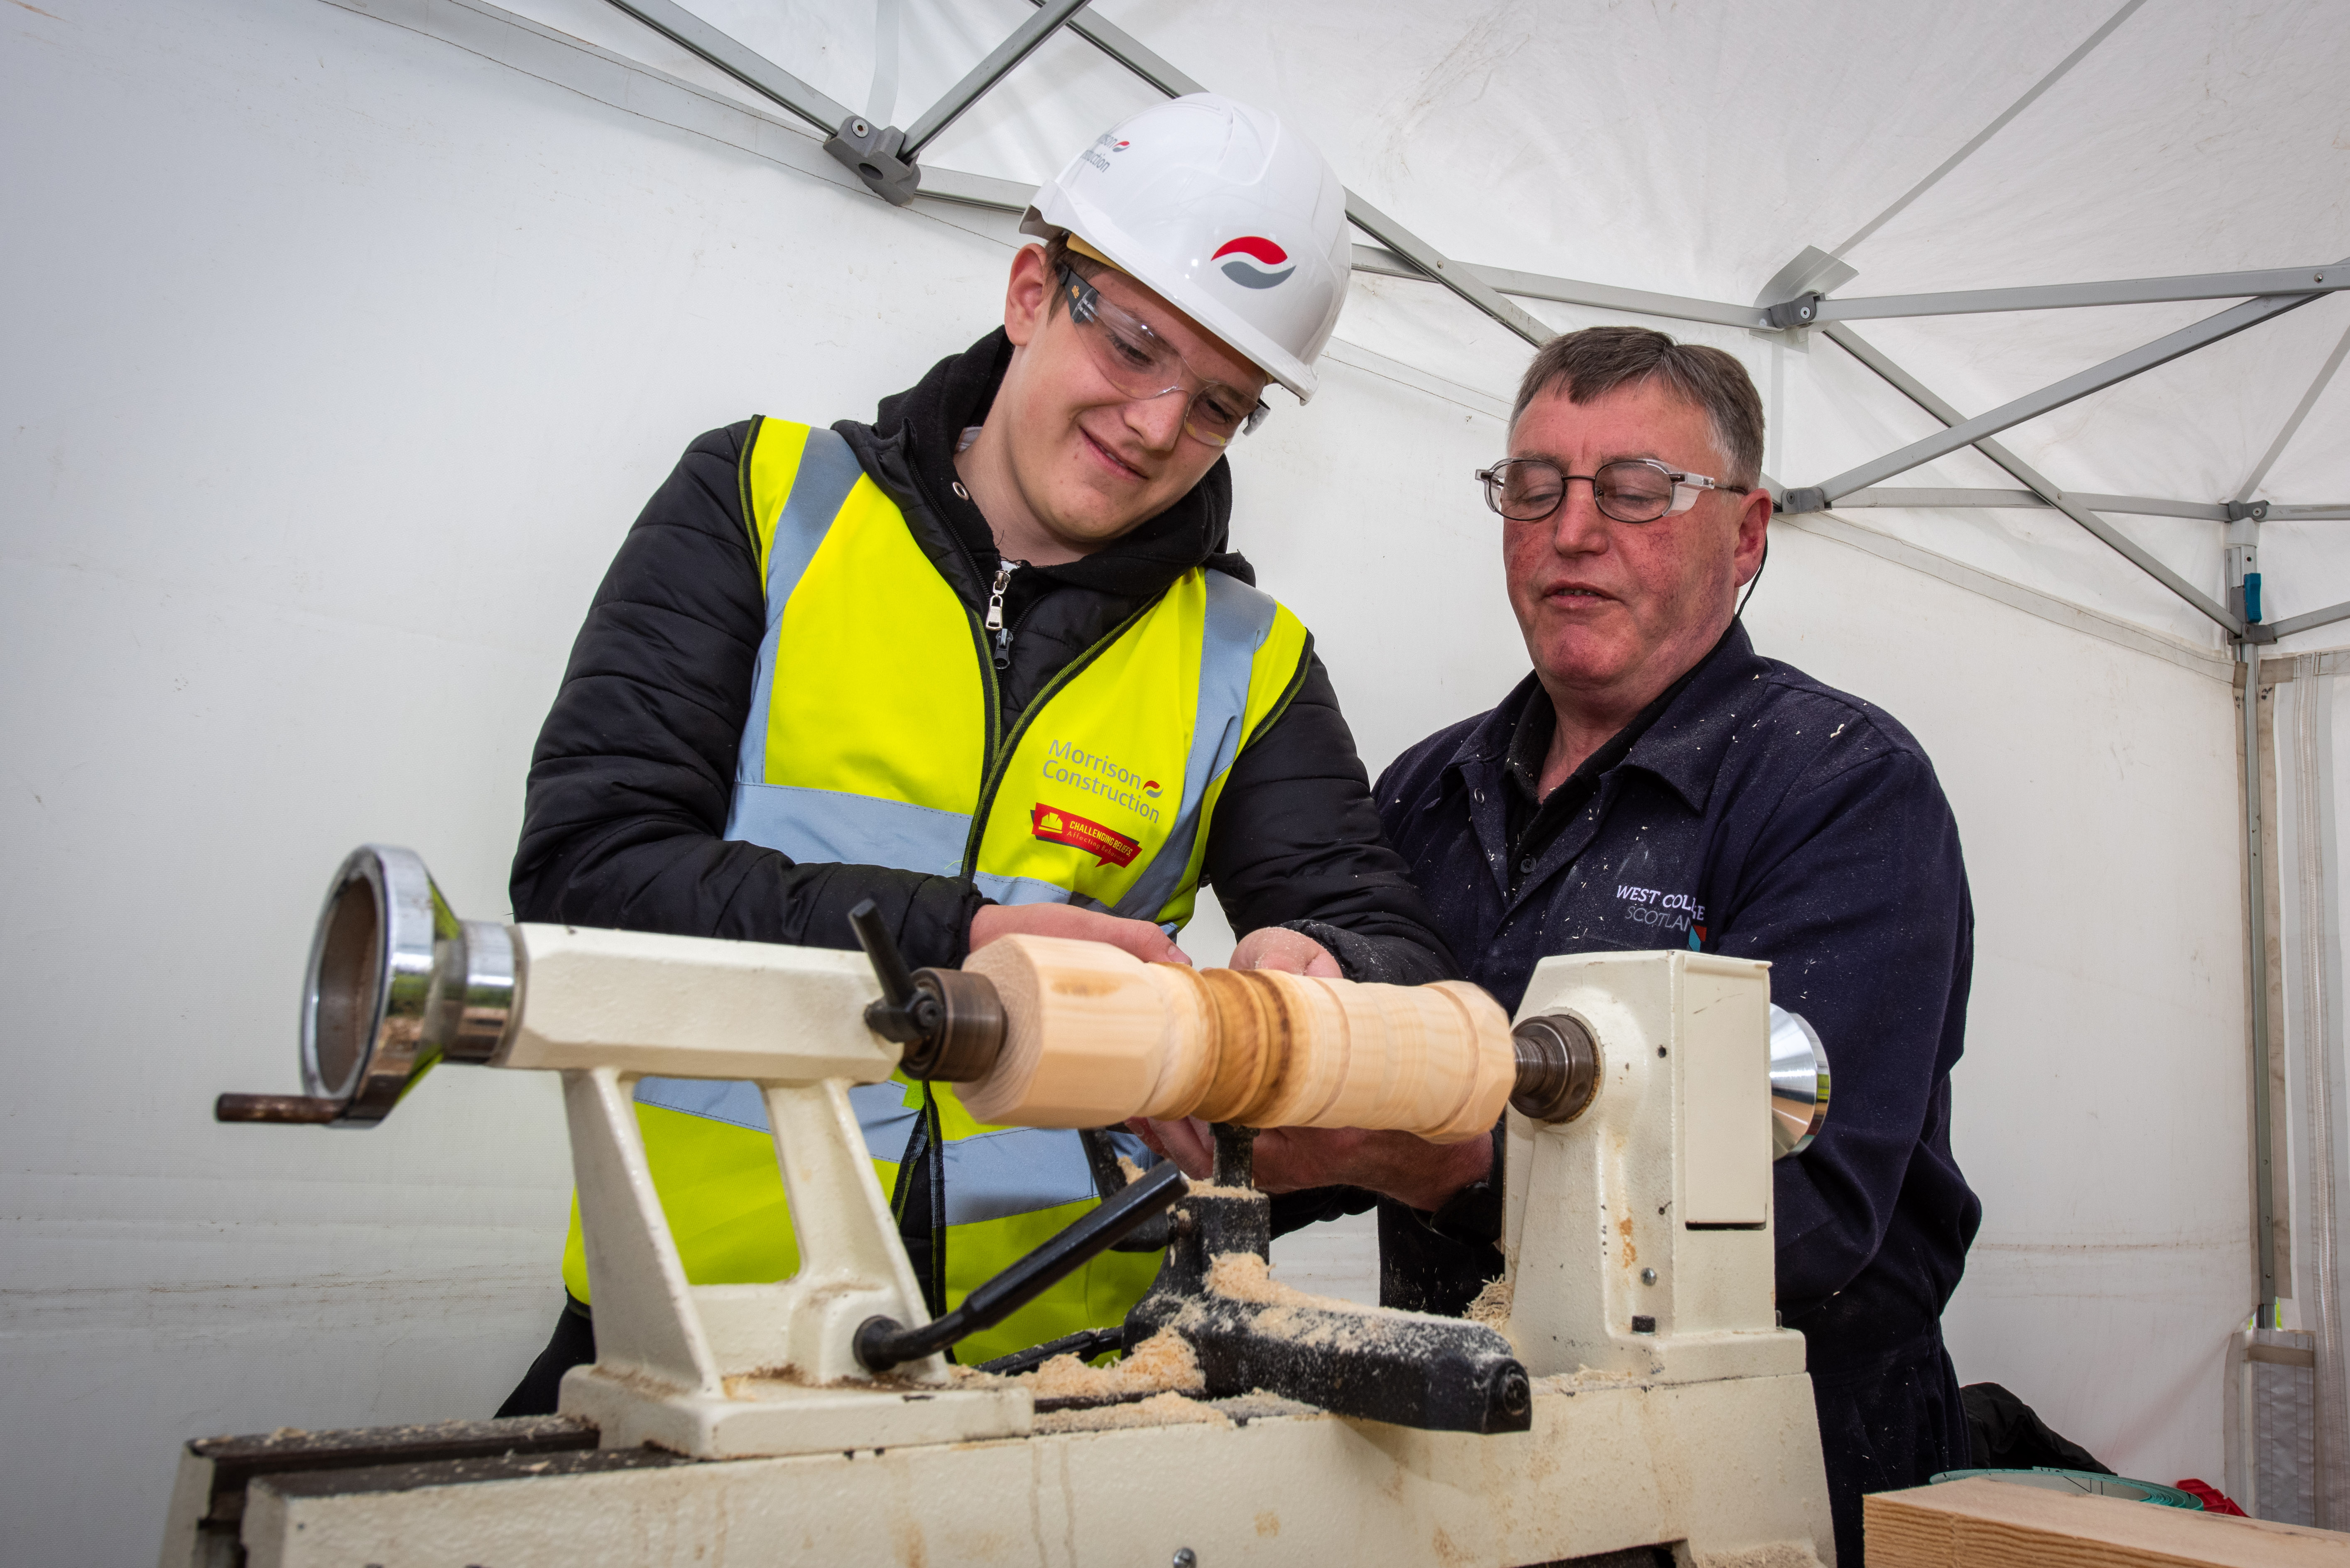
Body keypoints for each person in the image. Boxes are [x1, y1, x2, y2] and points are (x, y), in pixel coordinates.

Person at [494, 94, 1458, 1411]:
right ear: (1028, 290)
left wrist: (1326, 976)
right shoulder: (763, 500)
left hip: (1061, 1367)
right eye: (1133, 345)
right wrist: (966, 936)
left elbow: (1382, 939)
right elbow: (587, 871)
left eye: (1222, 402)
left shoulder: (1251, 657)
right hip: (693, 1334)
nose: (1158, 422)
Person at [1140, 325, 1980, 1565]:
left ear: (1744, 535)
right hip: (1462, 1462)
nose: (1571, 533)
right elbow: (1353, 1115)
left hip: (1757, 1479)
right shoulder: (1430, 787)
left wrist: (1454, 1164)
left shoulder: (1839, 789)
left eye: (1633, 492)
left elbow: (1805, 1213)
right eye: (1532, 488)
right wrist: (1232, 1104)